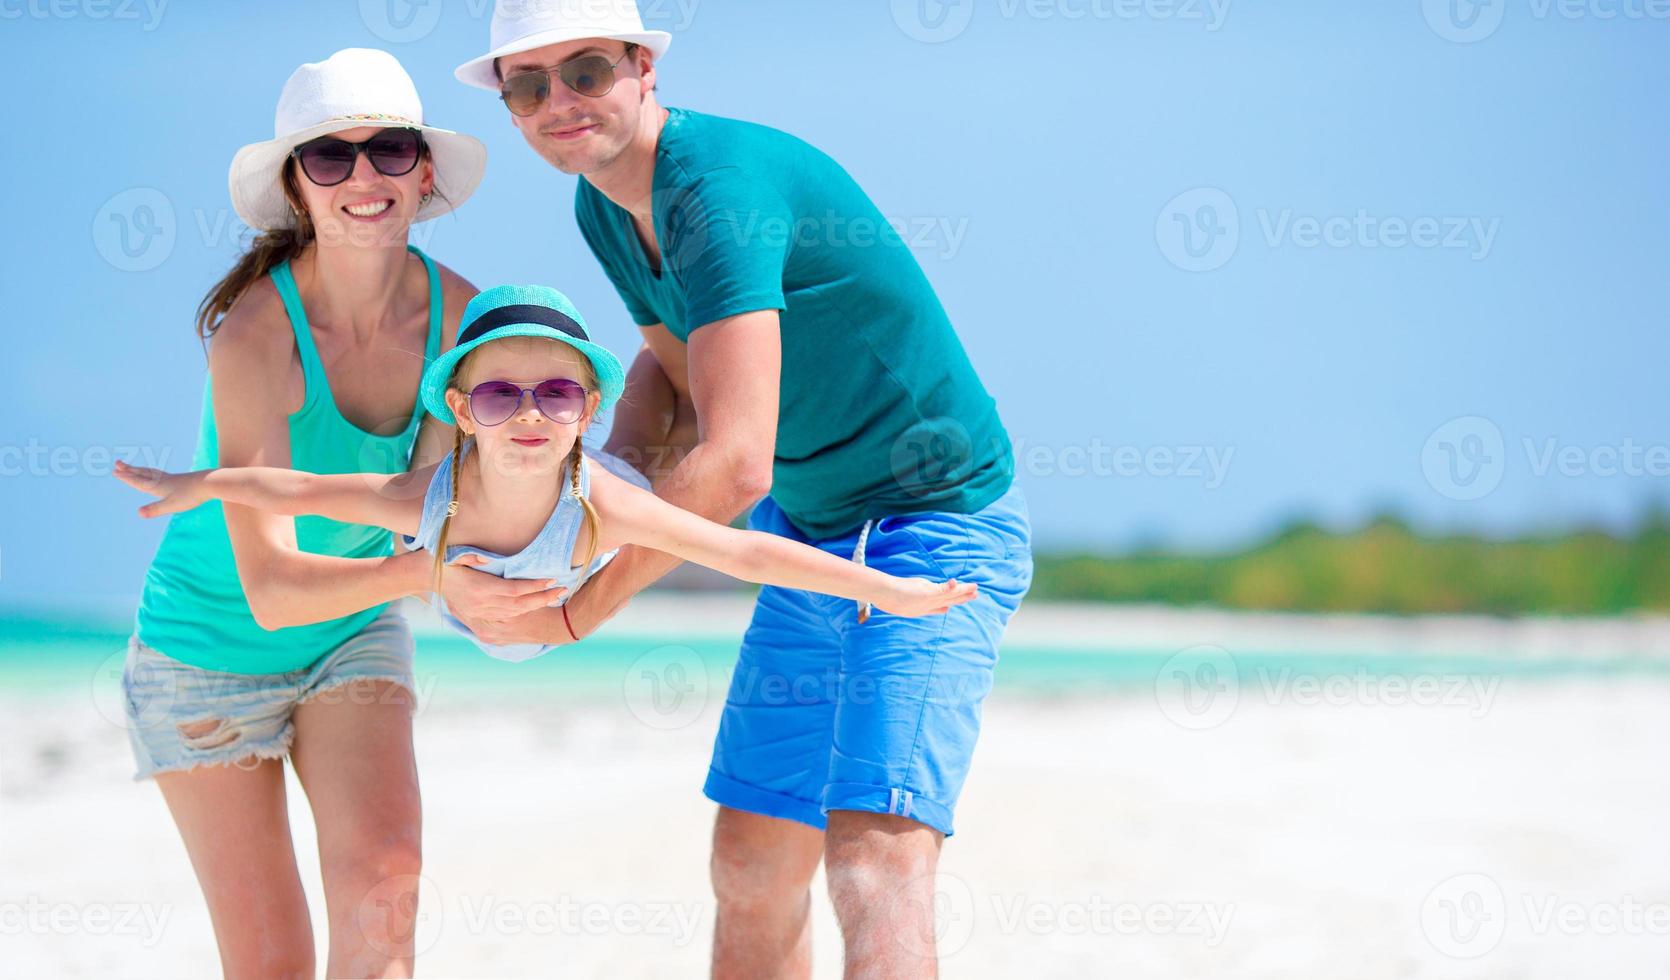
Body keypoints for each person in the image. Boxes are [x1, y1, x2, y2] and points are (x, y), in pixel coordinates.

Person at [452, 5, 1034, 976]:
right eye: (526, 85)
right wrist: (587, 497)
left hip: (935, 523)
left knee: (873, 853)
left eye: (585, 70)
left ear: (643, 68)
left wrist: (573, 600)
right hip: (809, 529)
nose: (557, 101)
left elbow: (732, 463)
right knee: (753, 857)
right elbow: (674, 371)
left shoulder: (716, 188)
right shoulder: (602, 203)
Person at [119, 48, 516, 978]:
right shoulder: (255, 335)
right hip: (204, 655)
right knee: (271, 961)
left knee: (387, 888)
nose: (363, 177)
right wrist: (434, 570)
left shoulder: (467, 320)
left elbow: (433, 502)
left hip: (351, 632)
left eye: (387, 150)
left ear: (424, 170)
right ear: (298, 187)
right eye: (330, 158)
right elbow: (273, 590)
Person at [117, 286, 979, 660]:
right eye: (498, 395)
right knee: (637, 455)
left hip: (596, 519)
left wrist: (884, 588)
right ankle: (660, 360)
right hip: (492, 624)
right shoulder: (427, 499)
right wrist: (204, 482)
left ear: (581, 406)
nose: (530, 412)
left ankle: (672, 347)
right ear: (457, 411)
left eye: (558, 392)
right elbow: (296, 489)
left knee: (646, 463)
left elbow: (746, 555)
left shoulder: (596, 494)